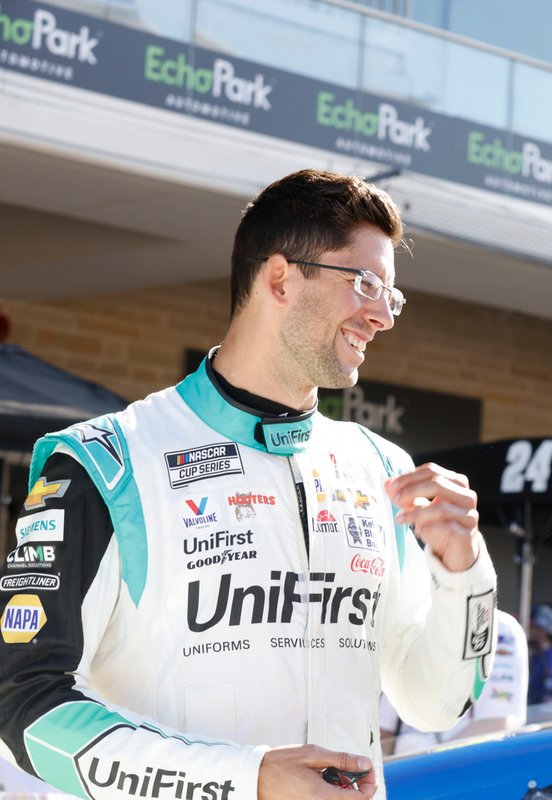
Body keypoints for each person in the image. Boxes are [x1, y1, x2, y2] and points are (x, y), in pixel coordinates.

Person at [0, 169, 498, 799]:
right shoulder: (110, 461)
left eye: (391, 296)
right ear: (281, 277)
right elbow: (23, 705)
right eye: (366, 284)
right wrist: (245, 780)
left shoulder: (384, 470)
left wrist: (465, 574)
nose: (381, 316)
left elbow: (439, 706)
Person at [384, 609, 528, 755]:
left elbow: (500, 722)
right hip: (404, 767)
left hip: (462, 765)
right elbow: (384, 728)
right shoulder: (413, 618)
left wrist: (434, 763)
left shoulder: (499, 626)